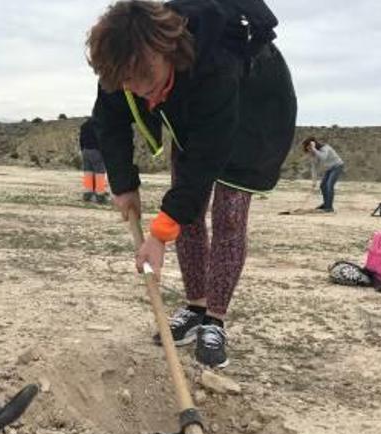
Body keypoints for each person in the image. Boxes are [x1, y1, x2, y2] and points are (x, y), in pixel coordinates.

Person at [87, 0, 296, 367]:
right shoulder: (126, 64)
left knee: (228, 215)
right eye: (127, 82)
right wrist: (123, 184)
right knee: (190, 214)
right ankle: (195, 308)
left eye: (145, 78)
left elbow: (205, 159)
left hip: (254, 114)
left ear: (164, 50)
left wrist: (160, 233)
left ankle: (215, 319)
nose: (137, 90)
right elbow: (109, 120)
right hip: (191, 106)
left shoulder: (217, 61)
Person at [302, 137, 344, 213]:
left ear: (313, 145)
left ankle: (329, 208)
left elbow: (323, 157)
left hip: (337, 166)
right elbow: (314, 168)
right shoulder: (314, 154)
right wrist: (314, 181)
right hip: (329, 169)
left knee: (329, 185)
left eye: (309, 148)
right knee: (322, 185)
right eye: (307, 149)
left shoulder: (325, 148)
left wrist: (314, 149)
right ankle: (326, 204)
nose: (309, 150)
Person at [79, 118, 110, 204]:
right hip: (96, 150)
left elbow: (81, 139)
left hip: (85, 150)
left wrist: (82, 150)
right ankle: (100, 195)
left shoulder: (84, 125)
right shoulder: (100, 125)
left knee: (88, 172)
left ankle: (87, 194)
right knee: (100, 172)